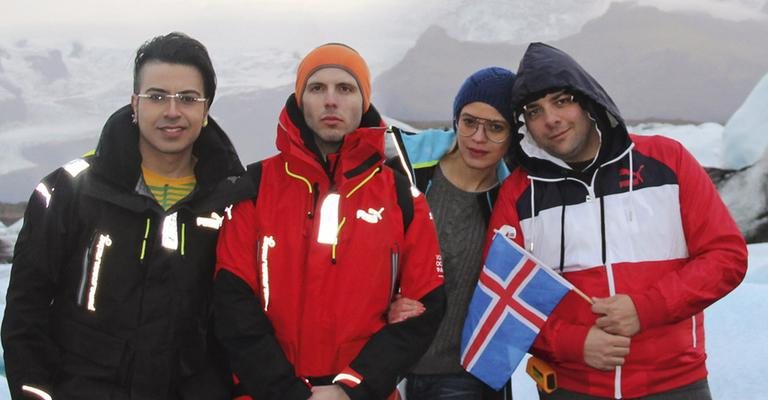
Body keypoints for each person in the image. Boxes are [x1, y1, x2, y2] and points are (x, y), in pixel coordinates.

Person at [487, 42, 748, 399]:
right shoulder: (518, 195)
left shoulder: (666, 161)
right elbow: (502, 300)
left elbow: (726, 257)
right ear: (524, 125)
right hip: (570, 388)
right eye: (534, 111)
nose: (551, 119)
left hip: (675, 385)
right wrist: (574, 343)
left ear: (587, 100)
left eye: (562, 101)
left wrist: (646, 308)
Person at [2, 32, 252, 399]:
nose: (171, 111)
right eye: (156, 97)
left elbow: (249, 325)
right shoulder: (70, 192)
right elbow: (26, 314)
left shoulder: (236, 201)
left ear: (206, 108)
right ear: (134, 103)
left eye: (187, 98)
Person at [213, 43, 446, 400]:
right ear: (300, 99)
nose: (331, 101)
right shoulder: (256, 187)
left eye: (346, 88)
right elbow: (232, 301)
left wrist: (350, 388)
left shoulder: (402, 198)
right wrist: (286, 391)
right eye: (317, 88)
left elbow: (426, 304)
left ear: (364, 102)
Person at [387, 67, 516, 400]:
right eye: (469, 121)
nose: (478, 137)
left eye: (496, 127)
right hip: (386, 360)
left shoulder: (514, 199)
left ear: (514, 134)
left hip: (464, 375)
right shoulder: (406, 173)